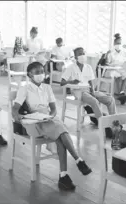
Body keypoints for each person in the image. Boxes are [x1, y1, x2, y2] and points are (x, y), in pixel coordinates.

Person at [12, 61, 92, 190]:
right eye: (37, 72)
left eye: (42, 71)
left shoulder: (47, 88)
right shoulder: (25, 89)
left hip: (48, 119)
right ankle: (78, 160)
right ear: (29, 75)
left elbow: (53, 108)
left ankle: (63, 175)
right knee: (61, 132)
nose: (41, 74)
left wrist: (51, 115)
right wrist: (17, 117)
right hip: (34, 122)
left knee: (61, 138)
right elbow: (15, 108)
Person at [61, 47, 117, 123]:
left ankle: (114, 123)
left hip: (88, 90)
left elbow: (90, 82)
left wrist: (93, 92)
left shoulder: (88, 67)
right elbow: (62, 82)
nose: (82, 55)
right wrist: (72, 82)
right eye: (80, 54)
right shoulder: (71, 67)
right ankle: (102, 124)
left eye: (83, 53)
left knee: (110, 99)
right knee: (94, 101)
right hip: (78, 92)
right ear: (75, 57)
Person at [104, 33, 126, 105]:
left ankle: (121, 93)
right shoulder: (111, 52)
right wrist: (106, 55)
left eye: (120, 43)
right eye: (117, 43)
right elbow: (106, 63)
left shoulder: (123, 51)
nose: (118, 44)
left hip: (120, 68)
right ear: (114, 43)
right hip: (111, 69)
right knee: (118, 77)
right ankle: (121, 95)